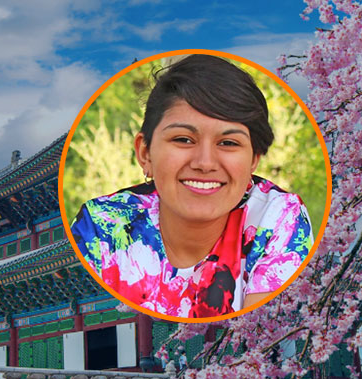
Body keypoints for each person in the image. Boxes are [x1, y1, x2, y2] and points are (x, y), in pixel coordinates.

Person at [71, 54, 313, 318]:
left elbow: (258, 336)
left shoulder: (277, 218)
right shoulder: (103, 227)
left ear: (254, 159)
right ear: (145, 153)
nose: (205, 163)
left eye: (229, 143)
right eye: (184, 139)